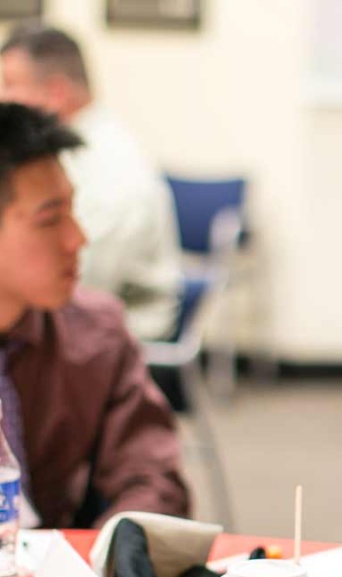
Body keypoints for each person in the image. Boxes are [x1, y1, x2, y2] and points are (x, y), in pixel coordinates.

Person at [0, 101, 190, 528]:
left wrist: (119, 542)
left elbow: (152, 476)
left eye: (73, 209)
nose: (77, 238)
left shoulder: (94, 334)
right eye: (50, 220)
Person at [0, 23, 181, 341]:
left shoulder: (112, 171)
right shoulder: (65, 152)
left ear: (56, 93)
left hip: (117, 336)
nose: (3, 97)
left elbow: (81, 281)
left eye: (10, 85)